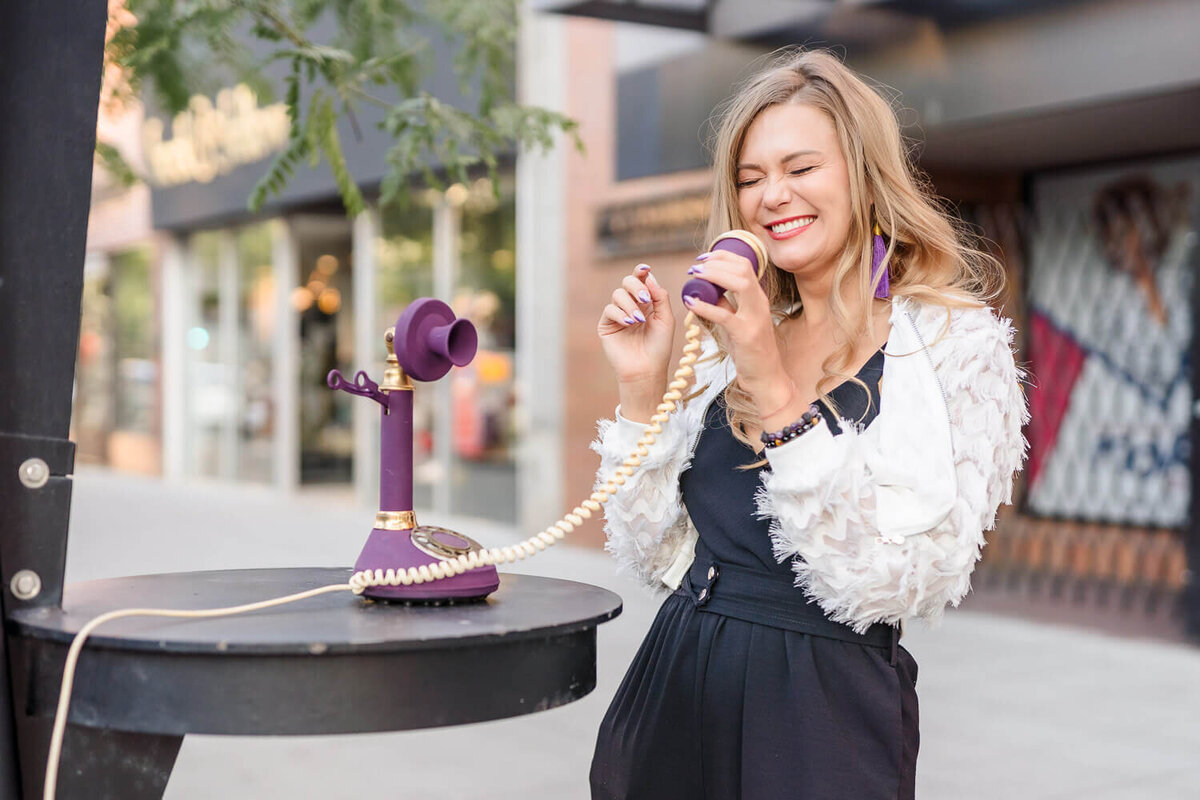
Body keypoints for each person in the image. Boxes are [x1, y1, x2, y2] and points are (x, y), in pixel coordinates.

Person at [588, 49, 1027, 800]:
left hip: (820, 718)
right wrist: (640, 388)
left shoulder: (950, 344)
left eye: (800, 168)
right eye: (750, 178)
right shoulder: (736, 342)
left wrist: (773, 383)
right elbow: (654, 552)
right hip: (675, 690)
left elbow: (904, 581)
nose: (771, 196)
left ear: (862, 174)